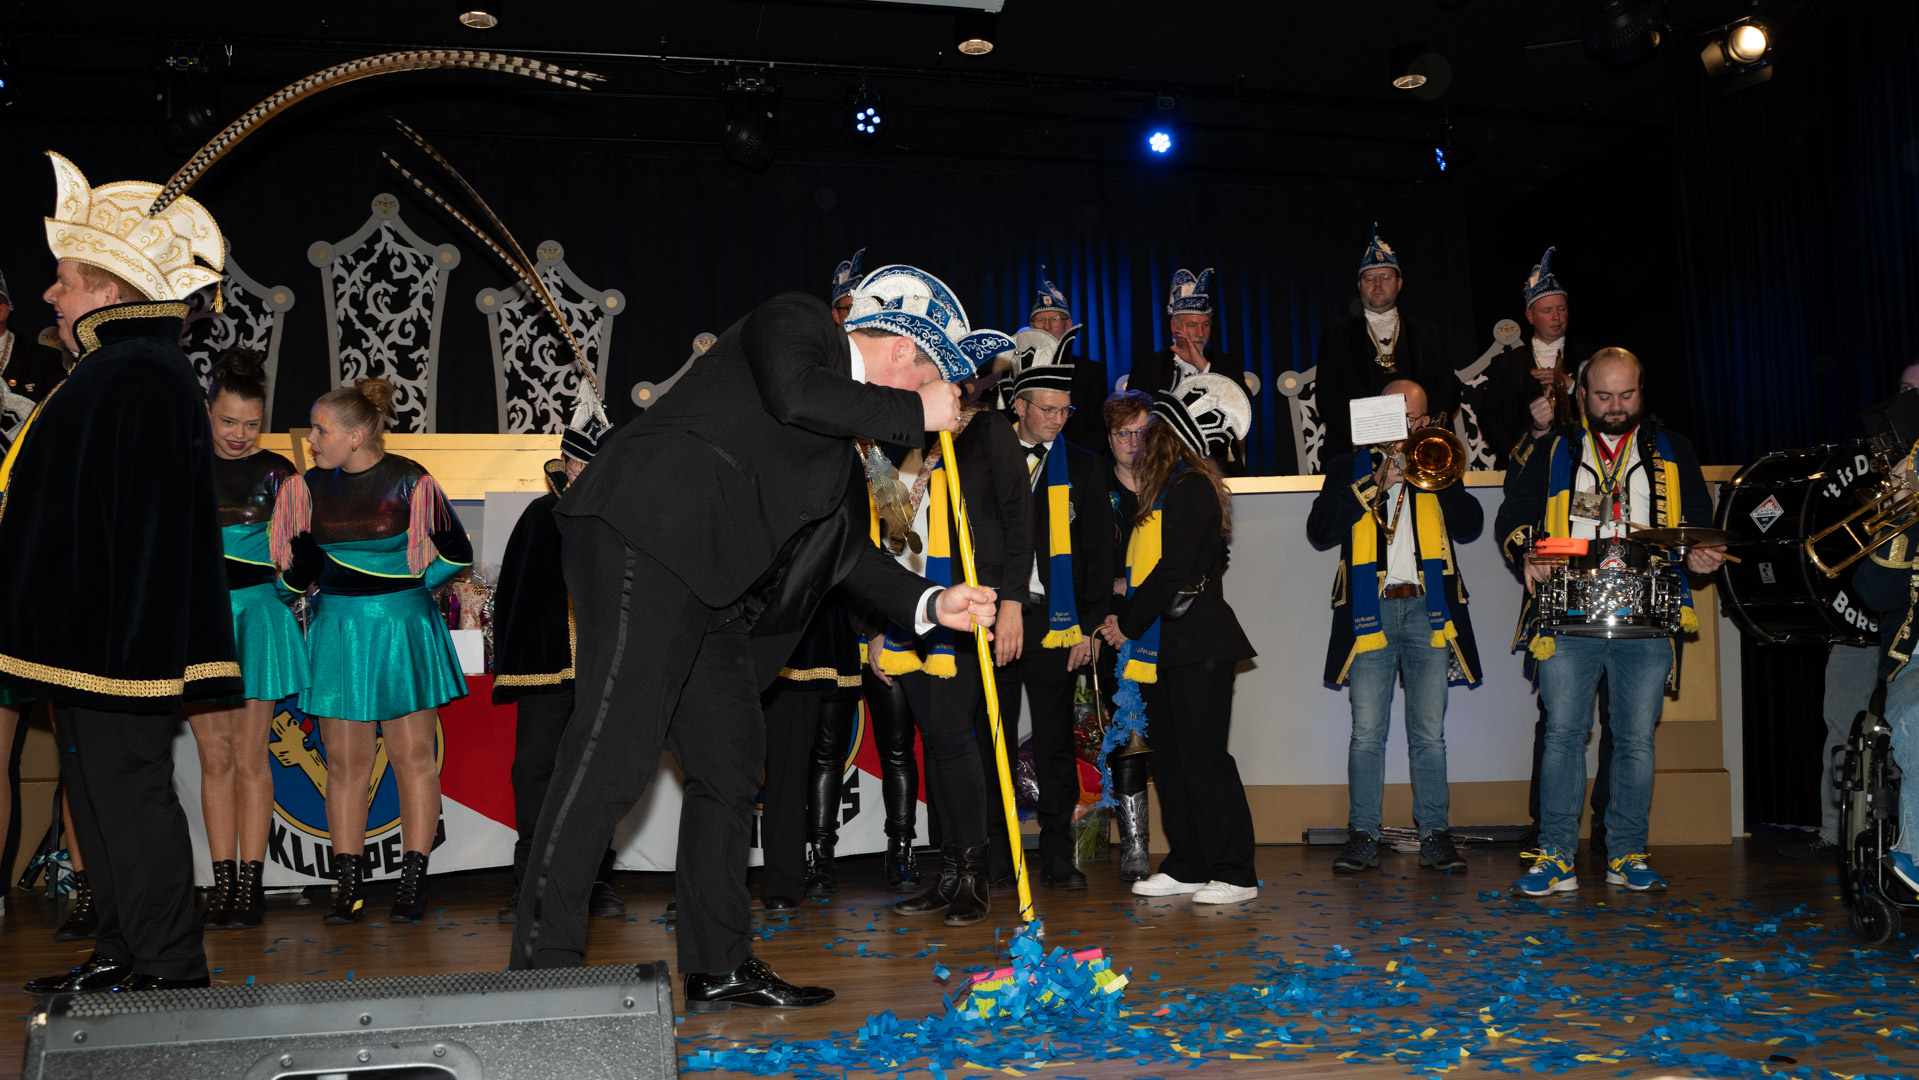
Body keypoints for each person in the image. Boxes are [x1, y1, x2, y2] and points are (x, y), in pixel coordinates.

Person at [510, 263, 1002, 1014]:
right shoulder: (798, 323)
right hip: (644, 534)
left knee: (731, 759)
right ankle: (541, 974)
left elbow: (845, 554)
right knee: (613, 751)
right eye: (934, 376)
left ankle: (718, 963)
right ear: (905, 351)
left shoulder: (842, 448)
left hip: (707, 587)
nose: (933, 393)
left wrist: (935, 602)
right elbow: (795, 392)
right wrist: (915, 409)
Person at [10, 152, 240, 994]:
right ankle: (122, 950)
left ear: (108, 291)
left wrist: (128, 646)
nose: (50, 294)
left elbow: (144, 524)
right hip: (89, 637)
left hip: (116, 641)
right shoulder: (114, 369)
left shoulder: (137, 372)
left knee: (129, 793)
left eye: (65, 281)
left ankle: (170, 968)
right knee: (97, 795)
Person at [1494, 348, 1722, 897]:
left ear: (1642, 392)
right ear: (1581, 396)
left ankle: (1627, 853)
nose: (1616, 406)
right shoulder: (1553, 448)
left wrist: (1700, 551)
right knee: (1563, 736)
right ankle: (1555, 854)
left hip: (1649, 613)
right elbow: (1513, 516)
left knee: (1636, 740)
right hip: (1567, 611)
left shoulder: (1674, 448)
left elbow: (1696, 521)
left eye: (1627, 395)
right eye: (1603, 396)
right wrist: (1528, 552)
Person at [273, 378, 472, 925]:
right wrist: (294, 579)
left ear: (357, 436)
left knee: (413, 760)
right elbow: (292, 577)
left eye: (321, 430)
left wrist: (408, 589)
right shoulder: (305, 488)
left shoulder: (411, 481)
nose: (311, 439)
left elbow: (458, 552)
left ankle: (412, 884)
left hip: (401, 628)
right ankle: (348, 889)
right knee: (344, 765)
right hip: (338, 629)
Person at [1306, 378, 1481, 874]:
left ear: (1425, 421)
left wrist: (1434, 477)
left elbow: (1470, 524)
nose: (1402, 426)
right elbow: (1319, 530)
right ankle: (1362, 833)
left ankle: (1435, 834)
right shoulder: (1347, 467)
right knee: (1366, 732)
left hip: (1429, 609)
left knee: (1429, 733)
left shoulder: (1437, 460)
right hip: (1371, 610)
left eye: (1412, 418)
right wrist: (1374, 485)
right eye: (1392, 415)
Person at [1098, 374, 1258, 904]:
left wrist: (1126, 623)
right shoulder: (1166, 490)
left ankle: (1235, 871)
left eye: (1149, 435)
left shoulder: (1190, 487)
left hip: (1198, 644)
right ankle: (1188, 863)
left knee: (1203, 758)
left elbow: (1174, 570)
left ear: (1168, 438)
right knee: (1168, 761)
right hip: (1165, 646)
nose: (1139, 444)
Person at [878, 366, 1030, 920]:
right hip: (909, 610)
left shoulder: (988, 431)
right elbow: (880, 533)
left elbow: (1019, 520)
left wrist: (1012, 603)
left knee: (952, 736)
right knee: (937, 741)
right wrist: (876, 629)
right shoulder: (895, 435)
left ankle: (973, 874)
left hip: (972, 606)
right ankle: (948, 873)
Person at [490, 399, 625, 923]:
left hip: (603, 670)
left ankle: (593, 881)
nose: (580, 472)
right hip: (545, 670)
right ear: (563, 463)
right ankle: (529, 883)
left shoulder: (622, 517)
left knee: (596, 775)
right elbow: (515, 595)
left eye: (591, 464)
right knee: (534, 770)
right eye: (574, 463)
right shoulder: (538, 517)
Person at [990, 329, 1114, 891]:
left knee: (1054, 738)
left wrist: (1088, 627)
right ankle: (995, 854)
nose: (1059, 420)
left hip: (1056, 622)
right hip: (994, 616)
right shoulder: (985, 460)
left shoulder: (1084, 467)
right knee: (991, 734)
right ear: (1018, 406)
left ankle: (1058, 854)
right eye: (1048, 409)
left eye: (1066, 410)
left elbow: (1099, 555)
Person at [190, 349, 310, 930]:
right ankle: (222, 884)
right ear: (207, 412)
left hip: (257, 620)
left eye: (251, 424)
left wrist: (282, 587)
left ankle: (252, 884)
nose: (239, 435)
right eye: (228, 421)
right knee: (213, 758)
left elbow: (304, 558)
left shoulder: (280, 474)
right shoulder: (181, 464)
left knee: (249, 756)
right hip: (199, 622)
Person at [1785, 359, 1919, 861]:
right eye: (1904, 390)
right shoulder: (1874, 461)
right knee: (1845, 721)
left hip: (1901, 633)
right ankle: (1837, 833)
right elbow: (1867, 582)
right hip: (1872, 627)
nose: (1909, 404)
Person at [1314, 226, 1457, 463]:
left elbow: (1448, 387)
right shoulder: (1337, 333)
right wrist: (1361, 436)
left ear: (1399, 283)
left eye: (1386, 277)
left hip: (1420, 447)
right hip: (1356, 449)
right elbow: (1327, 395)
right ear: (1359, 285)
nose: (1378, 285)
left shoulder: (1427, 331)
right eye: (1369, 278)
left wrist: (1424, 429)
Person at [1100, 389, 1155, 879]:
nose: (1133, 442)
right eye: (1124, 433)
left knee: (1172, 733)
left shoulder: (1172, 482)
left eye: (1142, 431)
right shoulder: (1093, 485)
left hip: (1166, 624)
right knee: (1128, 735)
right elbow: (1080, 561)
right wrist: (1112, 589)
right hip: (1115, 628)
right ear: (1109, 436)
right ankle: (1135, 847)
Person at [1480, 248, 1596, 470]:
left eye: (1561, 309)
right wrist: (1515, 452)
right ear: (1530, 316)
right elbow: (1489, 417)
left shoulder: (1591, 357)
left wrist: (1571, 385)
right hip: (1525, 466)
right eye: (1547, 311)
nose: (1556, 317)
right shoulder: (1506, 364)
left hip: (1582, 464)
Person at [1127, 269, 1251, 476]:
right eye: (1193, 325)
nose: (1201, 333)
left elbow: (1242, 413)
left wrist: (1202, 366)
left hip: (1219, 468)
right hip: (1162, 468)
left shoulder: (1227, 365)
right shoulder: (1148, 366)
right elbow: (1134, 419)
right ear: (1174, 327)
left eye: (1206, 325)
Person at [1026, 267, 1110, 450]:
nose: (1047, 326)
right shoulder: (1017, 370)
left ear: (1068, 325)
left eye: (1055, 319)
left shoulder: (1090, 372)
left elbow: (1099, 429)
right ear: (1032, 326)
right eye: (1040, 320)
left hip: (1077, 460)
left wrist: (1068, 459)